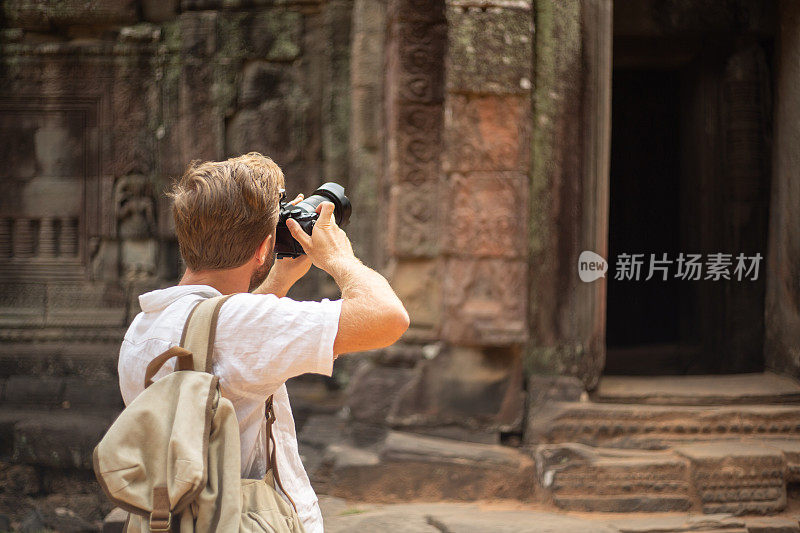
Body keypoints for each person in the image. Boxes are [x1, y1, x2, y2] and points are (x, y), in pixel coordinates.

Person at [117, 152, 409, 532]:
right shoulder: (239, 326)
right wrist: (339, 257)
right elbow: (389, 317)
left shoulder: (145, 326)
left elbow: (224, 336)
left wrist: (281, 277)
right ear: (261, 249)